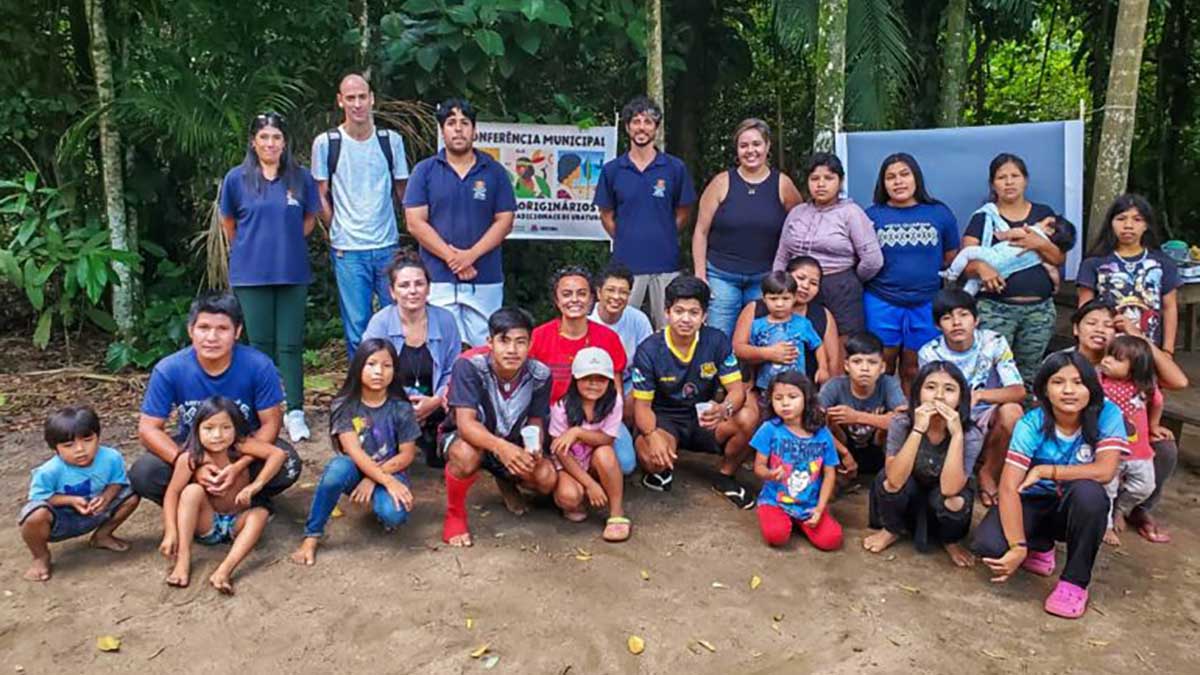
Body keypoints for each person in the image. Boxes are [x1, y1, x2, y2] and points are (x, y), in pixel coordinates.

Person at [972, 352, 1129, 619]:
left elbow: (1104, 471)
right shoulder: (1031, 423)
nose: (1069, 390)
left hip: (1075, 502)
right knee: (989, 545)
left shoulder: (1108, 414)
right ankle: (1040, 546)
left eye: (1078, 382)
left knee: (1089, 494)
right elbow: (1009, 487)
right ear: (1045, 388)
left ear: (1091, 387)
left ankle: (1074, 582)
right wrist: (1017, 546)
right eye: (1058, 382)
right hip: (1036, 500)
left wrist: (1048, 470)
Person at [132, 292, 302, 506]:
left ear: (237, 331)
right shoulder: (169, 369)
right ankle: (193, 504)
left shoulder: (259, 365)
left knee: (289, 465)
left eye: (222, 329)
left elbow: (271, 423)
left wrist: (240, 465)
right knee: (144, 473)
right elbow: (148, 429)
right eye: (204, 328)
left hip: (244, 444)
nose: (212, 337)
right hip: (194, 446)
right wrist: (190, 463)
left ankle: (247, 498)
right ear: (190, 330)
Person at [220, 111, 319, 442]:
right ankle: (263, 410)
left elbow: (309, 220)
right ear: (253, 141)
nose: (270, 143)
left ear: (284, 142)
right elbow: (230, 224)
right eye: (264, 137)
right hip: (251, 274)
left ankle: (295, 411)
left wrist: (286, 242)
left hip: (291, 271)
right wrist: (253, 248)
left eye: (276, 137)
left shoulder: (299, 177)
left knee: (290, 345)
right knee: (258, 346)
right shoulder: (237, 178)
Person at [1059, 299, 1185, 543]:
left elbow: (1178, 382)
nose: (1099, 329)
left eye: (1108, 325)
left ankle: (1135, 509)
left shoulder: (1132, 366)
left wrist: (1135, 335)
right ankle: (1098, 511)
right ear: (1076, 328)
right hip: (1088, 436)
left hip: (1130, 439)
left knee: (1165, 449)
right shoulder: (1065, 362)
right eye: (1091, 323)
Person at [630, 275, 758, 507]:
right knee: (651, 457)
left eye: (693, 312)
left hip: (704, 417)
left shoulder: (716, 341)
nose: (686, 319)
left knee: (749, 414)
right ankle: (658, 466)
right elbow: (642, 407)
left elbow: (737, 391)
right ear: (667, 312)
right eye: (679, 311)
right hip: (665, 419)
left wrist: (723, 409)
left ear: (704, 316)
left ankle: (725, 476)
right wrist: (651, 435)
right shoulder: (649, 349)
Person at [291, 339, 420, 566]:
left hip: (390, 470)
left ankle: (377, 505)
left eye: (387, 365)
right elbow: (354, 452)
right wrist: (379, 479)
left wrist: (374, 479)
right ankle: (312, 536)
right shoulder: (345, 405)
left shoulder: (401, 406)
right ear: (358, 366)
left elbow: (407, 455)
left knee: (394, 514)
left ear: (395, 370)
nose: (378, 371)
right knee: (336, 471)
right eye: (371, 364)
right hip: (355, 468)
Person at [312, 73, 411, 359]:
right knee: (357, 326)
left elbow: (402, 189)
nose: (357, 104)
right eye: (350, 98)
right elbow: (321, 192)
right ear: (340, 101)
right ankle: (362, 391)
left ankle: (399, 387)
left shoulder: (390, 140)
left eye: (362, 97)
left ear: (372, 99)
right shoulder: (326, 142)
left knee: (398, 319)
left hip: (386, 245)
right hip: (348, 250)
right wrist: (336, 229)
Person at [440, 308, 556, 547]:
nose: (512, 350)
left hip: (511, 440)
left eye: (520, 342)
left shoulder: (540, 374)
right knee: (466, 456)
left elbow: (535, 418)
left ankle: (505, 481)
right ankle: (455, 514)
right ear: (489, 341)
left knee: (545, 478)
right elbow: (465, 424)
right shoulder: (469, 366)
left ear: (530, 343)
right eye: (504, 340)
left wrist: (532, 448)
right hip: (467, 438)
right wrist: (501, 448)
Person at [405, 98, 516, 346]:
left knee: (486, 349)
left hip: (484, 276)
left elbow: (505, 221)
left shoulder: (494, 171)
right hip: (437, 278)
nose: (458, 129)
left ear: (474, 131)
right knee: (439, 347)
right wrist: (453, 258)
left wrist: (471, 255)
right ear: (442, 130)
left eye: (464, 123)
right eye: (451, 123)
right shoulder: (425, 170)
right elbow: (415, 222)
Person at [959, 153, 1070, 381]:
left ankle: (1026, 416)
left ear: (1025, 180)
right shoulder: (984, 218)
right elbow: (965, 262)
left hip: (1038, 312)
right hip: (995, 309)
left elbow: (1059, 259)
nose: (1009, 182)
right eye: (1001, 177)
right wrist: (982, 267)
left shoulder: (1044, 215)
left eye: (1015, 176)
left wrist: (1039, 243)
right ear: (992, 184)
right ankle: (993, 417)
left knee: (1029, 374)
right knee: (991, 373)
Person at [159, 397, 285, 594]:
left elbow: (278, 454)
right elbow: (172, 493)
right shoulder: (190, 458)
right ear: (197, 430)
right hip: (207, 523)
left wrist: (254, 486)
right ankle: (183, 561)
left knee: (260, 514)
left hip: (236, 521)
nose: (217, 435)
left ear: (236, 428)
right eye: (209, 428)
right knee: (192, 491)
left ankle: (224, 570)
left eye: (226, 427)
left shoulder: (240, 447)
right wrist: (170, 531)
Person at [862, 362, 982, 567]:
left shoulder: (970, 435)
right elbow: (895, 478)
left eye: (950, 389)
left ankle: (950, 540)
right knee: (888, 482)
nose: (939, 396)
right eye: (931, 387)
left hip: (941, 492)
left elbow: (950, 488)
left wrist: (956, 436)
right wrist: (918, 429)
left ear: (961, 398)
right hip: (909, 488)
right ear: (917, 394)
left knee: (955, 500)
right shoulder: (901, 423)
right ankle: (891, 529)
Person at [692, 118, 803, 337]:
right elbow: (700, 231)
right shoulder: (721, 183)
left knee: (761, 340)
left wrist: (790, 273)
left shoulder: (783, 184)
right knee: (718, 338)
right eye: (744, 146)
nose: (750, 151)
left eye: (756, 144)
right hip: (721, 275)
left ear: (767, 146)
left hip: (765, 278)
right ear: (737, 149)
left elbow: (799, 226)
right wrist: (700, 274)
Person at [594, 96, 697, 329]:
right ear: (627, 127)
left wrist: (664, 232)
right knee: (621, 327)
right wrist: (626, 236)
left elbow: (684, 210)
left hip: (666, 261)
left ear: (656, 128)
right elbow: (606, 213)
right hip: (627, 263)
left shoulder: (674, 167)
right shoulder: (613, 170)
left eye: (648, 122)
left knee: (668, 328)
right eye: (636, 121)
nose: (642, 127)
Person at [917, 289, 1024, 507]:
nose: (957, 323)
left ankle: (988, 472)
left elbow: (1018, 391)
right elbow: (927, 398)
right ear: (938, 326)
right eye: (947, 317)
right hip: (947, 414)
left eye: (963, 315)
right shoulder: (929, 353)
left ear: (976, 319)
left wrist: (981, 395)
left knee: (1012, 412)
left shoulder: (993, 342)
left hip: (985, 413)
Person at [864, 153, 960, 388]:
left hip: (926, 302)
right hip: (881, 301)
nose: (898, 182)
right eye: (891, 177)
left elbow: (951, 256)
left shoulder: (939, 212)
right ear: (883, 183)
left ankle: (913, 418)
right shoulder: (871, 215)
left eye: (904, 174)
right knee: (881, 365)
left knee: (915, 368)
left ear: (916, 177)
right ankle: (881, 421)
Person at [530, 266, 635, 474]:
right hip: (553, 417)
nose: (575, 300)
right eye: (567, 294)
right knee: (541, 465)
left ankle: (593, 471)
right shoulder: (539, 336)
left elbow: (616, 392)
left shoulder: (608, 338)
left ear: (592, 298)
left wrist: (603, 424)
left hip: (598, 417)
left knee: (625, 463)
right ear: (556, 300)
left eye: (581, 293)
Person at [18, 406, 140, 582]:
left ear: (98, 436)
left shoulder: (111, 458)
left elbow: (117, 482)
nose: (80, 449)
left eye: (88, 439)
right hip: (62, 518)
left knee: (132, 493)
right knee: (34, 514)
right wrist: (71, 500)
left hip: (97, 509)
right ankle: (40, 556)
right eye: (69, 445)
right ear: (55, 448)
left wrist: (106, 497)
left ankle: (102, 535)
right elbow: (40, 497)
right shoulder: (49, 471)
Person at [773, 152, 882, 348]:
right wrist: (779, 284)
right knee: (798, 342)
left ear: (840, 182)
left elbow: (873, 260)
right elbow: (782, 254)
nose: (821, 184)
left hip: (839, 288)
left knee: (840, 347)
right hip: (796, 287)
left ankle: (836, 379)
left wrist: (849, 278)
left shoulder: (851, 213)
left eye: (828, 178)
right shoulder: (797, 212)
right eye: (814, 178)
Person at [362, 251, 461, 465]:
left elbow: (454, 370)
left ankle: (432, 440)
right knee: (376, 453)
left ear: (429, 288)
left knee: (446, 458)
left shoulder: (446, 321)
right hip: (390, 404)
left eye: (419, 284)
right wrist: (403, 407)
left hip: (437, 406)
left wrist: (434, 402)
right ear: (392, 291)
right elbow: (367, 372)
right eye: (404, 285)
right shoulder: (380, 323)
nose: (412, 291)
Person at [751, 371, 842, 550]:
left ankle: (801, 520)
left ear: (806, 399)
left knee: (832, 540)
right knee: (776, 536)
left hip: (809, 503)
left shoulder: (822, 434)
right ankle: (779, 516)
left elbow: (830, 474)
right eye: (778, 398)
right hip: (775, 501)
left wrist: (820, 509)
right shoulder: (769, 429)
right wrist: (770, 474)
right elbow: (758, 467)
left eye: (793, 397)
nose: (785, 403)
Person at [1077, 194, 1180, 351]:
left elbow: (1169, 307)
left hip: (1149, 349)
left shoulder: (1163, 264)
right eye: (1121, 218)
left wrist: (1167, 351)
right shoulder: (1094, 263)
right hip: (1105, 349)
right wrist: (1084, 349)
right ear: (1111, 223)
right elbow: (1084, 309)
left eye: (1137, 219)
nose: (1128, 225)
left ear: (1146, 225)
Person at [549, 347, 630, 541]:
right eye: (587, 378)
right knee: (569, 498)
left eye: (601, 379)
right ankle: (584, 492)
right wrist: (590, 484)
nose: (593, 384)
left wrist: (577, 432)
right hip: (569, 463)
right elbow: (561, 452)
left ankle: (617, 512)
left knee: (606, 453)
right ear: (576, 379)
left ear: (609, 381)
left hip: (594, 457)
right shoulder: (561, 407)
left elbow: (607, 438)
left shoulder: (614, 402)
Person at [733, 255, 841, 388]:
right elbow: (739, 349)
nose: (806, 286)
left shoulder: (821, 316)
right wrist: (767, 353)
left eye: (814, 283)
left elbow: (833, 362)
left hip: (804, 391)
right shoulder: (756, 309)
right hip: (761, 388)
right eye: (801, 278)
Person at [1097, 335, 1162, 546]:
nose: (1106, 360)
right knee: (1107, 488)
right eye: (1107, 355)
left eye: (1116, 359)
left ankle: (1121, 509)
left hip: (1138, 449)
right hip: (1109, 450)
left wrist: (1153, 426)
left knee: (1145, 485)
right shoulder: (1099, 383)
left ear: (1134, 367)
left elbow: (1158, 403)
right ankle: (1106, 525)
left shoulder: (1143, 388)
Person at [818, 332, 906, 476]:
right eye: (857, 362)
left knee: (896, 422)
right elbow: (812, 421)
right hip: (843, 446)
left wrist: (857, 417)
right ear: (847, 365)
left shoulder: (888, 384)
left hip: (878, 448)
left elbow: (904, 420)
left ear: (882, 367)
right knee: (826, 419)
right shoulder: (834, 386)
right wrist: (844, 452)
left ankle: (888, 477)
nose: (864, 369)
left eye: (872, 362)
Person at [942, 214, 1075, 296]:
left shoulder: (1030, 232)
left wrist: (1002, 235)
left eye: (1043, 221)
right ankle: (966, 299)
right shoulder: (1041, 255)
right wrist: (1056, 286)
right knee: (976, 282)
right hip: (1004, 273)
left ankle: (952, 274)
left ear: (1050, 229)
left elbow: (1013, 233)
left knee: (968, 251)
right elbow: (1052, 269)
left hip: (995, 258)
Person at [748, 271, 826, 391]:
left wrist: (823, 368)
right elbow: (752, 357)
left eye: (785, 298)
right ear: (764, 298)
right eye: (773, 299)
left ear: (794, 298)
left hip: (798, 384)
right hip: (766, 386)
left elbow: (818, 345)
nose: (780, 304)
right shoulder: (757, 325)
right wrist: (750, 380)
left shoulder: (803, 324)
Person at [589, 262, 654, 398]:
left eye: (623, 292)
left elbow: (648, 362)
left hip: (629, 382)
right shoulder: (587, 318)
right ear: (599, 292)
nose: (617, 297)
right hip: (592, 382)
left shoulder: (639, 319)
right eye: (611, 290)